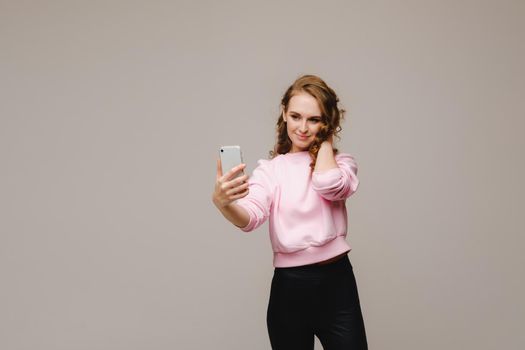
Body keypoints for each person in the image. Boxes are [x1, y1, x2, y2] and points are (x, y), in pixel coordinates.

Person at [212, 75, 368, 349]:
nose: (303, 128)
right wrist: (224, 203)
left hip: (337, 285)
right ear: (284, 114)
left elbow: (328, 184)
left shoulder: (341, 164)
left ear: (327, 123)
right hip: (290, 290)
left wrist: (326, 140)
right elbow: (250, 217)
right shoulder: (271, 170)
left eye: (314, 119)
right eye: (296, 116)